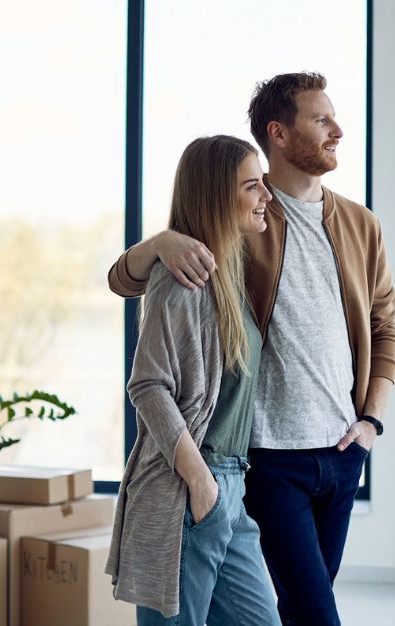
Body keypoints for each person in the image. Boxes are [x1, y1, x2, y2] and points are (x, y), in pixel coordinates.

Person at [107, 72, 395, 625]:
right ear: (280, 134)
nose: (339, 129)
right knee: (312, 612)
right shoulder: (247, 220)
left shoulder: (362, 226)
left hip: (341, 453)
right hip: (263, 457)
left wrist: (370, 423)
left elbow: (385, 327)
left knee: (297, 605)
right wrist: (160, 242)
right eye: (321, 119)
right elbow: (131, 285)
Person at [104, 134, 281, 626]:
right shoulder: (182, 278)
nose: (265, 195)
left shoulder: (226, 272)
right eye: (252, 186)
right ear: (218, 197)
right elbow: (147, 385)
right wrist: (200, 483)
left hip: (231, 487)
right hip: (192, 485)